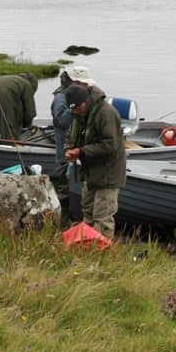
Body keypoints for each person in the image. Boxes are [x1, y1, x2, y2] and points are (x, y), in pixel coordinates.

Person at [63, 82, 126, 240]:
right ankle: (88, 250)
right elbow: (72, 135)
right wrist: (69, 148)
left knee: (102, 217)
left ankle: (102, 256)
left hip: (109, 173)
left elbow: (110, 145)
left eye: (77, 108)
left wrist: (81, 152)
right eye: (72, 109)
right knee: (88, 212)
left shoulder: (106, 113)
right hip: (91, 172)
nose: (75, 112)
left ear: (85, 101)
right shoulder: (80, 113)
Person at [51, 65, 96, 225]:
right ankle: (62, 225)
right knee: (63, 193)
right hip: (64, 156)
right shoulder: (60, 98)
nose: (88, 86)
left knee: (76, 194)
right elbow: (60, 122)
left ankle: (73, 223)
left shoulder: (83, 97)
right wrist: (74, 109)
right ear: (75, 82)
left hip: (77, 156)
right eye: (84, 83)